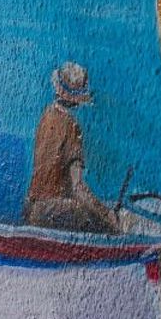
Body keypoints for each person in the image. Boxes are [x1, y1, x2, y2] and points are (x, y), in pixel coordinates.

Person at [22, 62, 116, 232]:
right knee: (100, 219)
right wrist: (107, 214)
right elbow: (77, 187)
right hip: (54, 212)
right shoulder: (72, 127)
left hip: (32, 209)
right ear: (78, 99)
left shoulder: (47, 115)